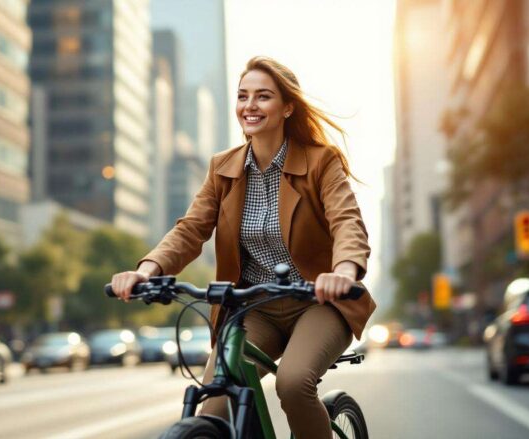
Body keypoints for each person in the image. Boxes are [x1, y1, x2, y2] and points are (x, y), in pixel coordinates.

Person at [110, 56, 375, 439]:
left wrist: (344, 271)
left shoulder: (321, 161)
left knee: (293, 383)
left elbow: (346, 220)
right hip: (254, 308)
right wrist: (147, 271)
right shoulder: (223, 168)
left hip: (318, 301)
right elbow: (189, 230)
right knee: (216, 404)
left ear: (287, 107)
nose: (249, 105)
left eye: (263, 96)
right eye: (242, 96)